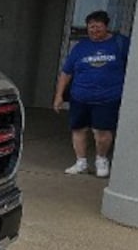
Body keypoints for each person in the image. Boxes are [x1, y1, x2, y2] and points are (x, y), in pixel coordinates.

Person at [53, 10, 130, 177]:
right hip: (80, 96)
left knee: (102, 131)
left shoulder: (120, 44)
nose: (94, 31)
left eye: (98, 27)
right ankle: (80, 162)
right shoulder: (81, 47)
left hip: (108, 97)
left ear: (106, 26)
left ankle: (101, 159)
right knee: (78, 129)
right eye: (91, 27)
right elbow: (66, 72)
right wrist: (59, 95)